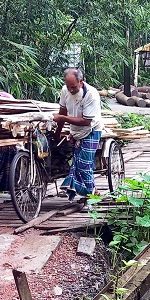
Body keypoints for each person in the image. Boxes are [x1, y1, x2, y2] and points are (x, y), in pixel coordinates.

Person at [53, 68, 104, 201]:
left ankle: (92, 196)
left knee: (84, 165)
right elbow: (62, 111)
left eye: (73, 87)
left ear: (81, 82)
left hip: (92, 130)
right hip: (75, 131)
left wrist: (62, 119)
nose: (70, 90)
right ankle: (92, 192)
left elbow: (86, 121)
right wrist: (57, 133)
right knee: (78, 164)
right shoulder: (65, 90)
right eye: (68, 86)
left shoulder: (91, 95)